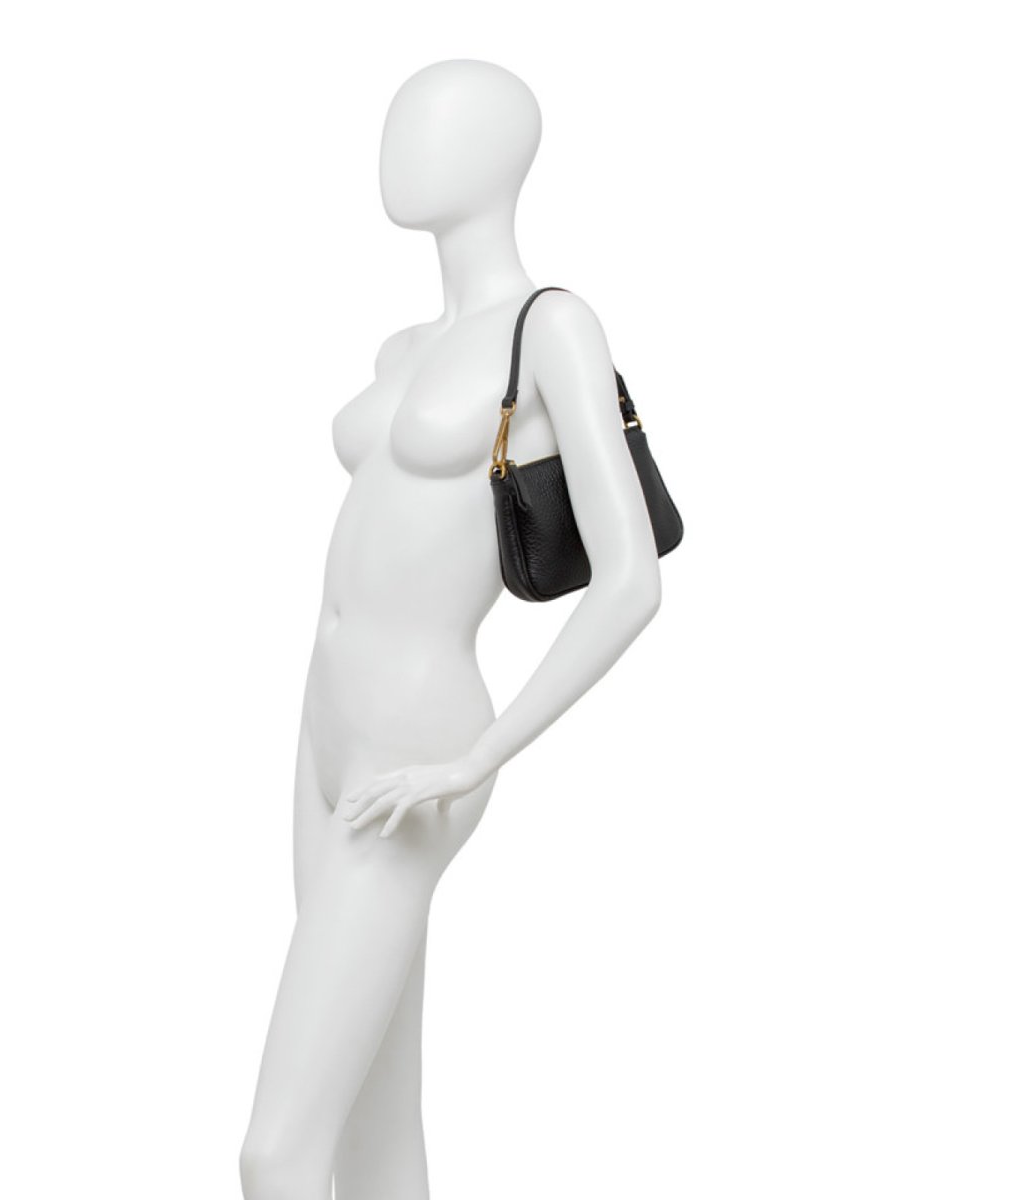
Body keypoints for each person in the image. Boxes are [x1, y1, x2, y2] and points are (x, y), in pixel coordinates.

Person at [238, 58, 662, 1200]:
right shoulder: (402, 348)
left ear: (505, 152)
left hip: (418, 746)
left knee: (276, 1152)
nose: (403, 142)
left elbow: (630, 581)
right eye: (400, 117)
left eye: (435, 122)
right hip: (323, 732)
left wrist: (480, 756)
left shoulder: (552, 327)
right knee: (372, 1131)